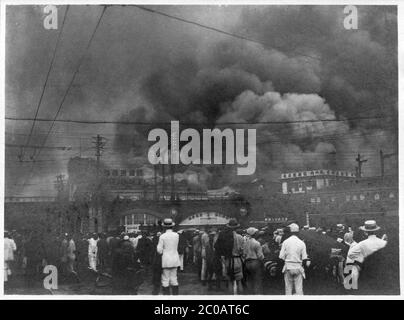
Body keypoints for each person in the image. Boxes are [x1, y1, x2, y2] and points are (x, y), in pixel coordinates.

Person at [346, 220, 387, 292]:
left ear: (365, 232)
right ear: (376, 231)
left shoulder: (362, 244)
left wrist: (361, 258)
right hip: (381, 271)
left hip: (367, 271)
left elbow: (350, 255)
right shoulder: (383, 242)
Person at [215, 219, 245, 295]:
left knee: (230, 282)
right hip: (238, 260)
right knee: (239, 282)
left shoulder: (224, 236)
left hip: (228, 260)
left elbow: (217, 247)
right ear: (236, 227)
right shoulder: (240, 237)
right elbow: (243, 251)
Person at [279, 223, 308, 295]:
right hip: (298, 266)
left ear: (290, 232)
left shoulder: (285, 242)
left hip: (288, 267)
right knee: (299, 289)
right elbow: (304, 258)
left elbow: (281, 256)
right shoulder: (301, 243)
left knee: (288, 289)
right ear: (298, 232)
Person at [157, 218, 181, 295]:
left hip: (166, 259)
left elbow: (159, 250)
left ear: (164, 227)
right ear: (172, 226)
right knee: (174, 279)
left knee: (165, 279)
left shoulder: (162, 236)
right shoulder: (176, 235)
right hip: (175, 259)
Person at [243, 227, 264, 294]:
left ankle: (250, 294)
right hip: (255, 262)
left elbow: (244, 254)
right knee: (257, 280)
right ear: (254, 234)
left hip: (247, 262)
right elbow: (260, 255)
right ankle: (257, 295)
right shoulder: (257, 243)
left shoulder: (245, 243)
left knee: (249, 280)